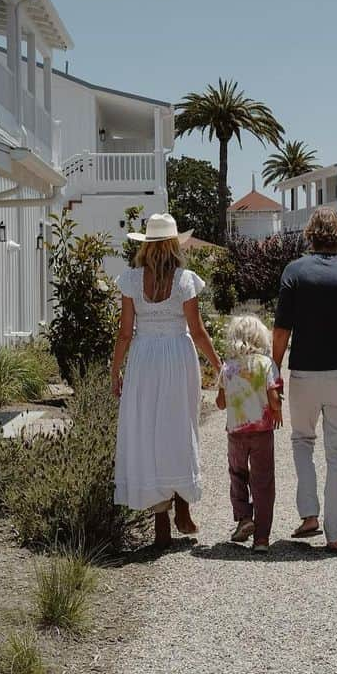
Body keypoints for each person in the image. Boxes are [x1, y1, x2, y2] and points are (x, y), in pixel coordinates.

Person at [111, 213, 222, 547]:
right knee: (179, 428)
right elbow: (199, 332)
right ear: (175, 244)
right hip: (177, 356)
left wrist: (115, 369)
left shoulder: (131, 280)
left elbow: (125, 333)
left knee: (149, 433)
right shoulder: (185, 279)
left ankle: (162, 523)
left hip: (144, 359)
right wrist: (219, 367)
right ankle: (182, 509)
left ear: (146, 245)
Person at [272, 207, 337, 552]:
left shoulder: (295, 272)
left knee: (302, 441)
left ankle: (309, 516)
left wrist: (274, 370)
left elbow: (281, 328)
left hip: (303, 373)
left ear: (310, 234)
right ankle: (334, 534)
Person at [216, 314, 283, 552]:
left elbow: (221, 403)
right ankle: (262, 538)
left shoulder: (227, 367)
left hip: (236, 433)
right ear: (261, 337)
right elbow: (273, 399)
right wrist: (277, 410)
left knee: (237, 474)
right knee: (263, 481)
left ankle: (244, 517)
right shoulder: (265, 364)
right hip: (262, 432)